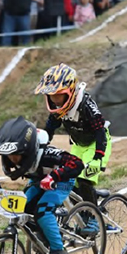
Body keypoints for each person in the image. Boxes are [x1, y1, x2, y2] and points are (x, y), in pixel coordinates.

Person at [0, 117, 85, 254]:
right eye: (9, 156)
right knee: (23, 209)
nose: (12, 160)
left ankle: (59, 251)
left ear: (28, 151)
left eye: (16, 155)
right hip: (38, 179)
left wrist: (54, 176)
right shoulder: (11, 147)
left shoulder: (47, 154)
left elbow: (77, 163)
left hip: (61, 180)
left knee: (43, 211)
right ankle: (45, 235)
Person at [34, 63, 111, 234]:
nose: (55, 100)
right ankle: (87, 202)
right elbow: (49, 130)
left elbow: (100, 131)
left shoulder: (86, 106)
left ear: (70, 91)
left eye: (59, 96)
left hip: (97, 143)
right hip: (78, 145)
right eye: (52, 96)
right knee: (70, 178)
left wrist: (98, 157)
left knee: (84, 178)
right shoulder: (57, 110)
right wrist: (41, 149)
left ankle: (93, 218)